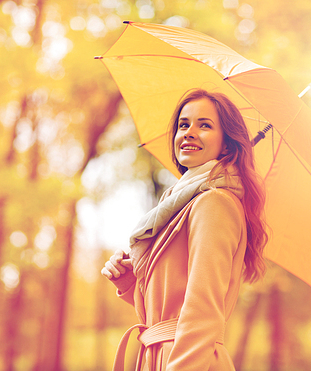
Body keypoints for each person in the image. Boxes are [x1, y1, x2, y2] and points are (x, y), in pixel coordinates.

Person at [101, 88, 268, 371]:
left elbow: (202, 312)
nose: (189, 132)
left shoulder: (214, 203)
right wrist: (131, 282)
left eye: (205, 125)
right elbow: (170, 305)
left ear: (227, 145)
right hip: (162, 356)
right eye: (183, 124)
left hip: (189, 360)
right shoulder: (177, 204)